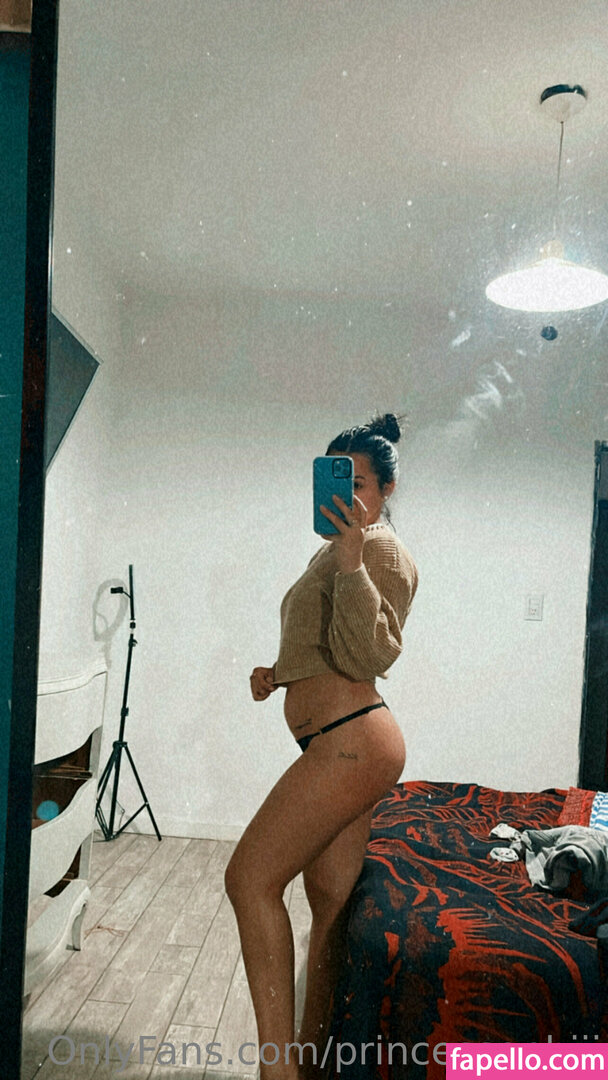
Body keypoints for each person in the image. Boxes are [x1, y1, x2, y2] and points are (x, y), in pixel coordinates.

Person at [225, 413, 418, 1080]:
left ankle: (276, 1074)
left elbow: (370, 655)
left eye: (358, 482)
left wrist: (352, 559)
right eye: (334, 479)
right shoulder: (337, 549)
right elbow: (328, 645)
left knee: (249, 879)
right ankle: (310, 1067)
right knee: (330, 902)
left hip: (352, 739)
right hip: (342, 736)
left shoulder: (381, 552)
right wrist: (278, 673)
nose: (346, 494)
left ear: (386, 489)